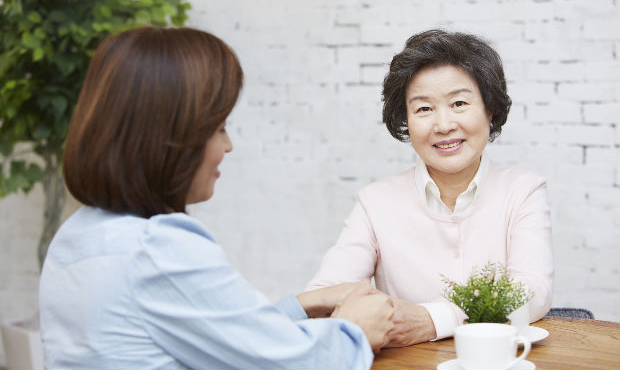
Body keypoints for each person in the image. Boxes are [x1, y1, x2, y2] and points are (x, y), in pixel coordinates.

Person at [39, 27, 394, 369]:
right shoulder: (157, 250)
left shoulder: (75, 236)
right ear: (173, 135)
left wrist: (300, 306)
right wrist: (355, 330)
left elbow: (222, 339)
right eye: (219, 128)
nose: (228, 146)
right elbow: (302, 363)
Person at [305, 29, 553, 346]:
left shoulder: (523, 190)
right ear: (406, 119)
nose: (444, 125)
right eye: (424, 108)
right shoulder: (375, 202)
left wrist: (432, 320)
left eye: (459, 103)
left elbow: (532, 292)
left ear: (489, 110)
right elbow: (322, 298)